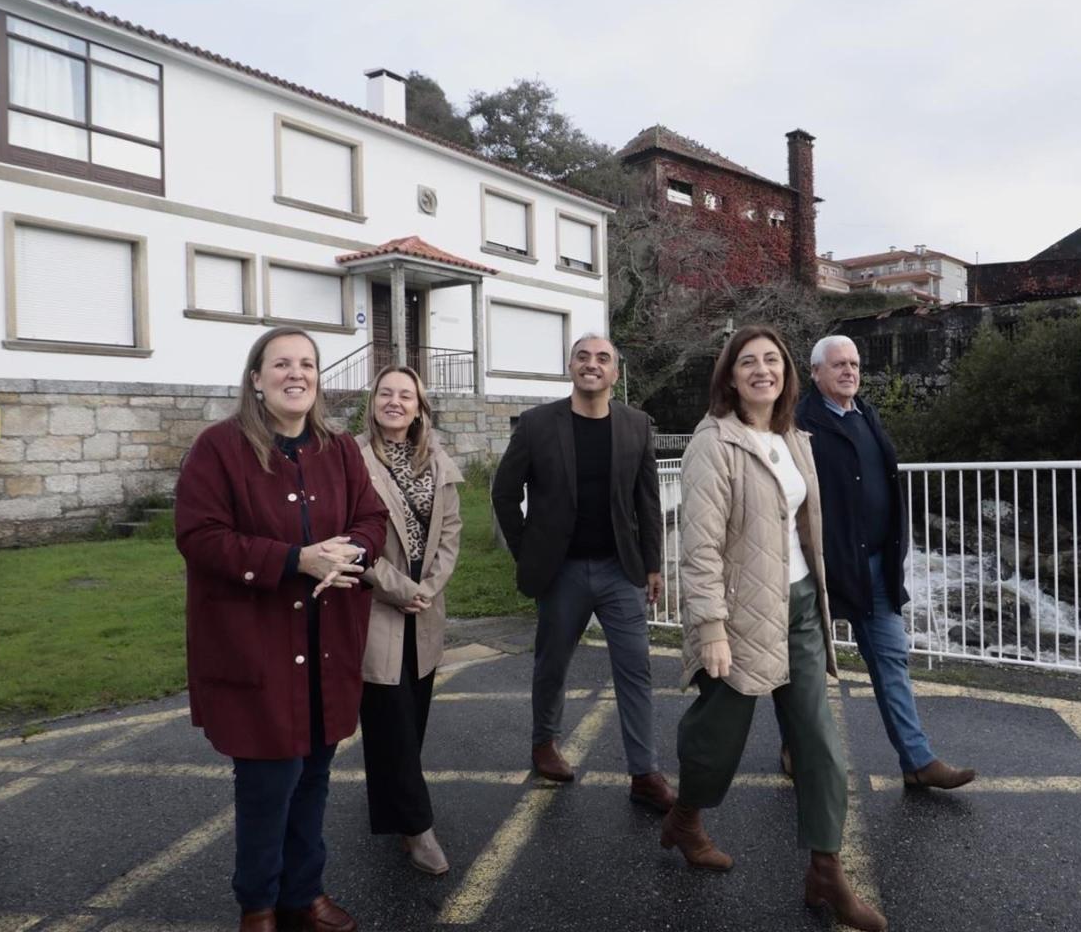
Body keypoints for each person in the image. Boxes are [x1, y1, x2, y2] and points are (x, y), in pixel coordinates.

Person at [661, 326, 886, 932]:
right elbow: (699, 546)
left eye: (772, 361)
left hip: (800, 606)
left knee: (820, 742)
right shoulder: (714, 443)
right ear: (730, 376)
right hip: (737, 615)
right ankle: (685, 818)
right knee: (717, 741)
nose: (762, 370)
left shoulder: (792, 436)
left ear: (786, 372)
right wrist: (710, 625)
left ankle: (826, 871)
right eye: (748, 363)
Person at [176, 326, 388, 932]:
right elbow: (198, 537)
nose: (297, 374)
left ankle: (304, 893)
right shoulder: (219, 448)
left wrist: (351, 552)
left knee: (315, 777)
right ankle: (259, 906)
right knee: (269, 785)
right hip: (257, 647)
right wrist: (296, 560)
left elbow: (371, 518)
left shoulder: (339, 448)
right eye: (282, 364)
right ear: (256, 379)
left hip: (327, 645)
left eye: (308, 364)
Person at [489, 334, 674, 812]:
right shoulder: (536, 425)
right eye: (583, 356)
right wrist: (527, 550)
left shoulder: (636, 425)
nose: (592, 365)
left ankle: (644, 772)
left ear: (615, 373)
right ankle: (544, 743)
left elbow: (647, 502)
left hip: (621, 570)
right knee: (552, 665)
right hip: (561, 572)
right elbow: (504, 493)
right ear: (570, 366)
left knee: (636, 670)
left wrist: (653, 563)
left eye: (603, 359)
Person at [792, 335, 975, 790]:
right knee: (806, 669)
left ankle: (917, 760)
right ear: (815, 373)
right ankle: (794, 747)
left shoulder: (867, 415)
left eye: (854, 364)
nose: (849, 371)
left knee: (893, 661)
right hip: (822, 570)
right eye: (838, 365)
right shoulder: (799, 424)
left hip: (875, 567)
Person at [355, 366, 463, 875]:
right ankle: (418, 829)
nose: (395, 402)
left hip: (424, 609)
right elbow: (349, 539)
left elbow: (450, 531)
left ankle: (394, 806)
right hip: (377, 607)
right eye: (386, 393)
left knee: (410, 718)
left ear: (419, 407)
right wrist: (400, 589)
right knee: (390, 718)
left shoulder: (436, 460)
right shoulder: (351, 459)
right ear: (372, 401)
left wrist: (428, 588)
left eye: (406, 395)